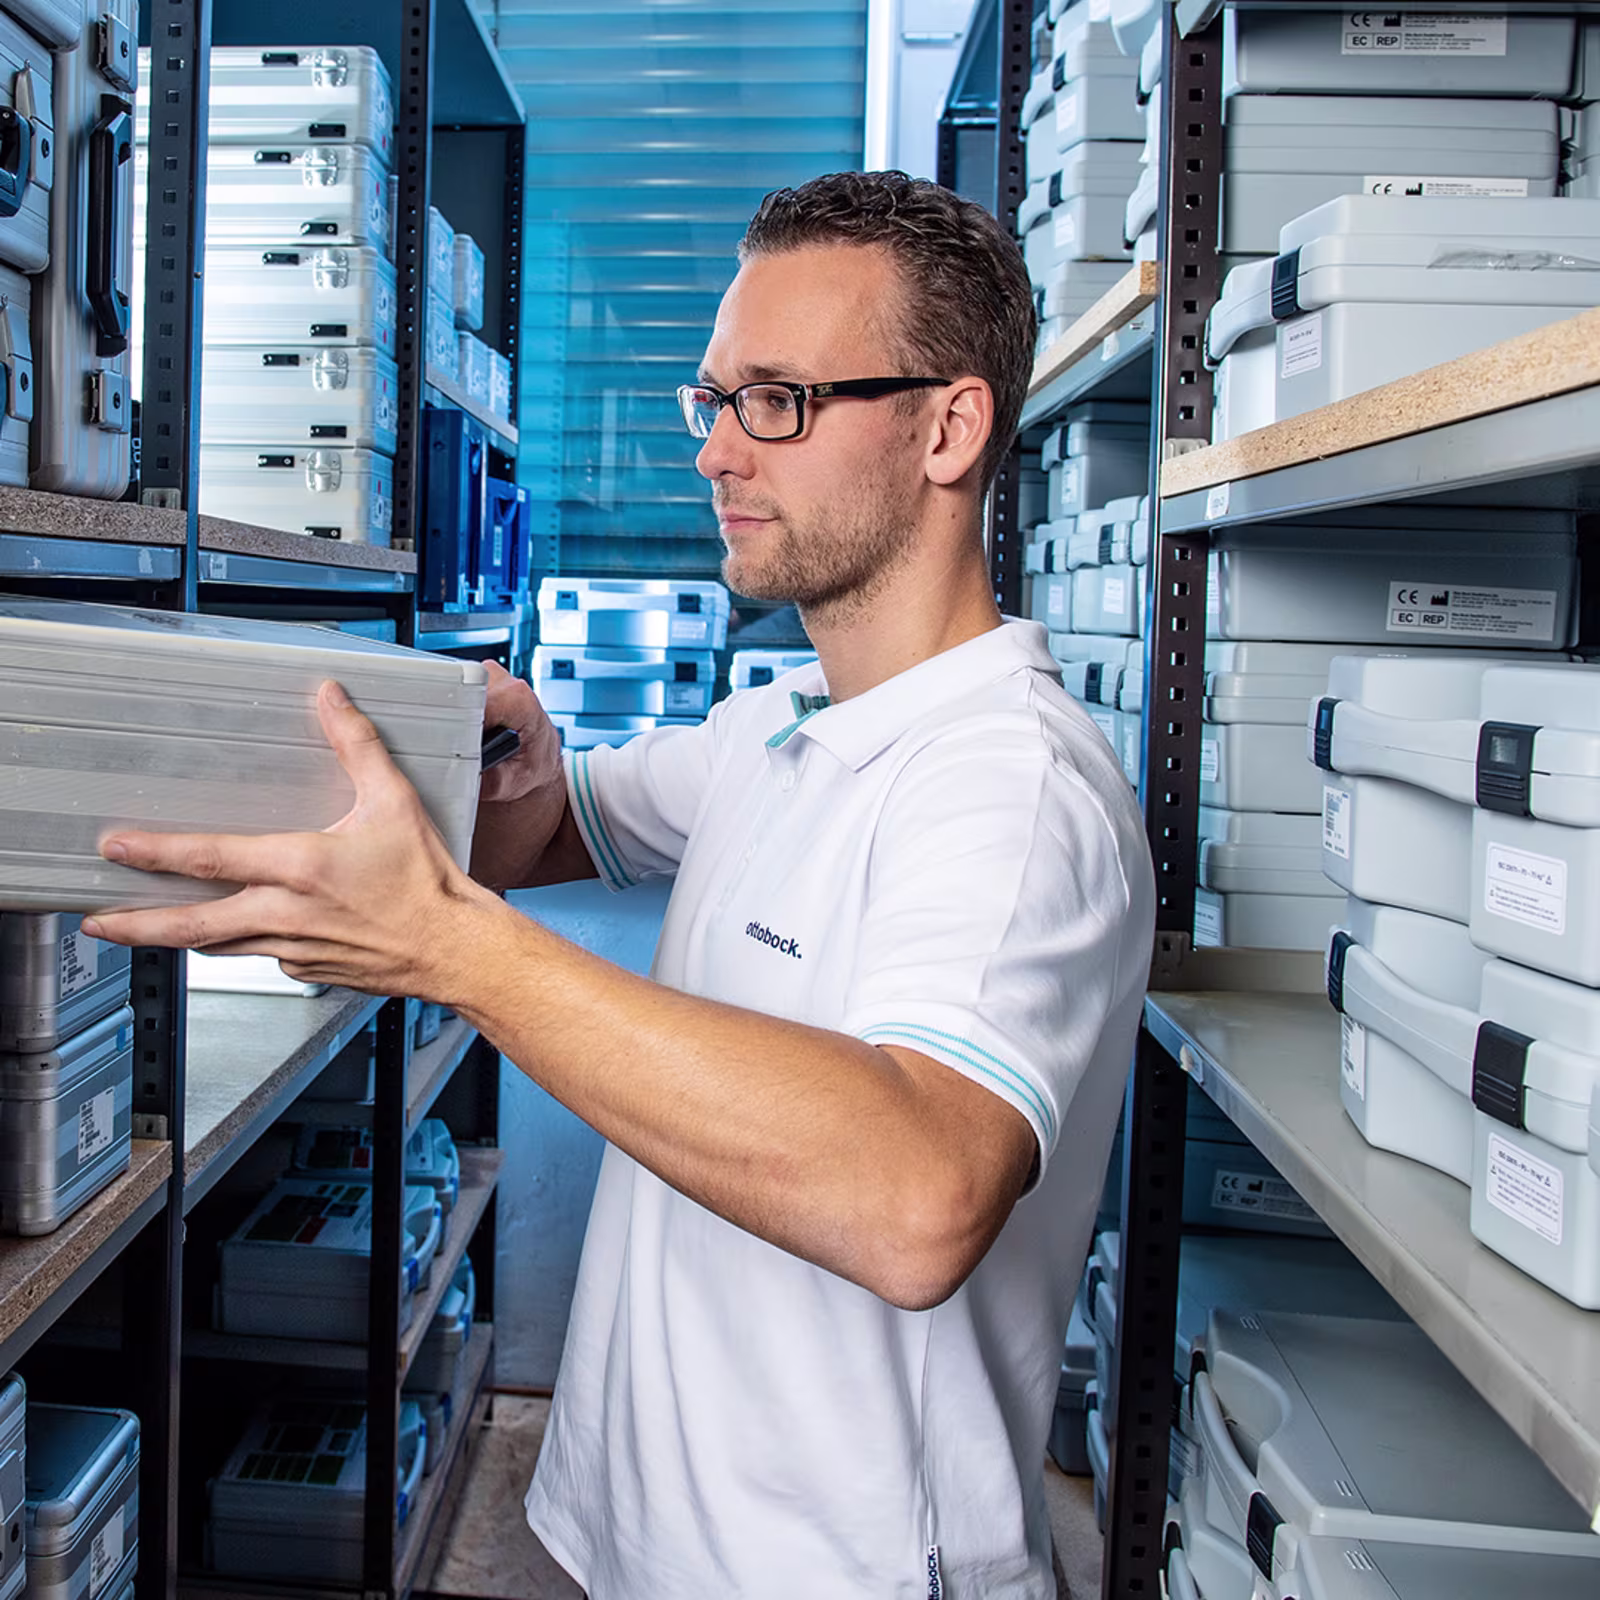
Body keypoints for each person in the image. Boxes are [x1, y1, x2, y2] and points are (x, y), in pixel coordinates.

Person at [84, 171, 1156, 1599]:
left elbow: (919, 1196)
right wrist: (485, 761)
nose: (717, 453)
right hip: (651, 1543)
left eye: (776, 400)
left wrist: (452, 949)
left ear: (948, 426)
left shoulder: (1007, 789)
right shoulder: (782, 727)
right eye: (711, 400)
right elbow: (546, 825)